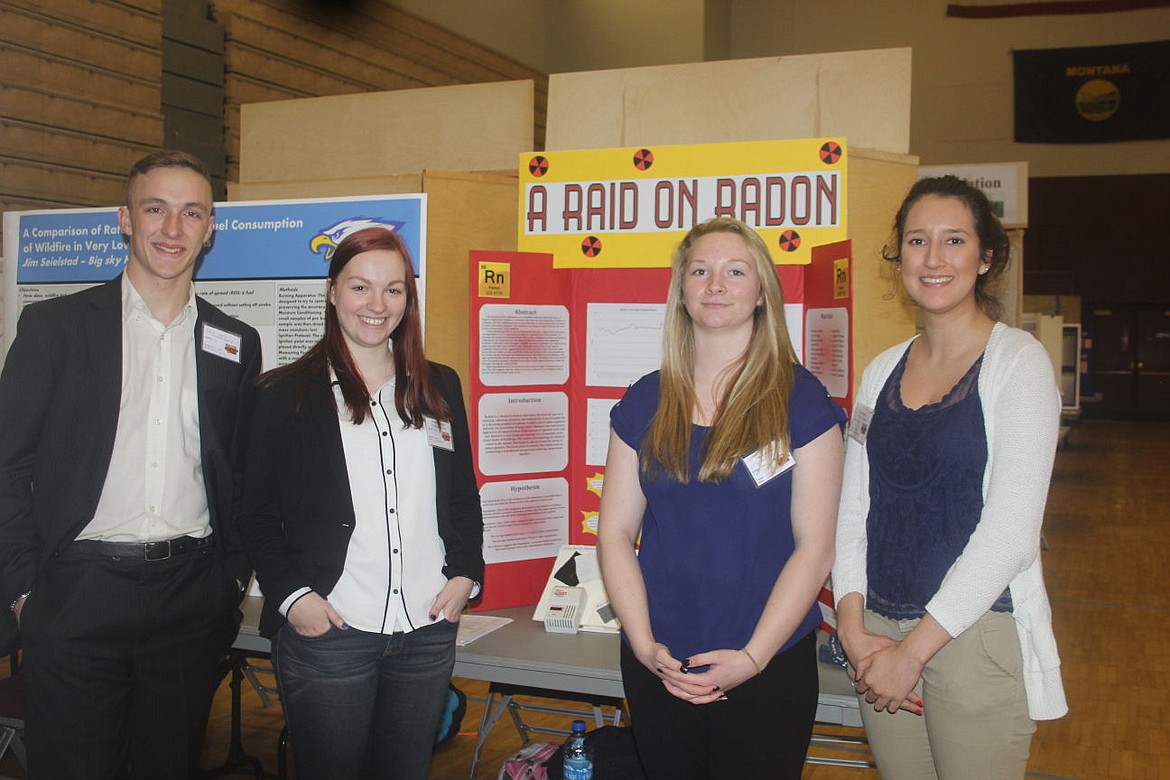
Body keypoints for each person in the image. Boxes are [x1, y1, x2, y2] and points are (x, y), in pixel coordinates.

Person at [0, 150, 262, 778]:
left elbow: (245, 476)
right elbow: (6, 465)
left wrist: (229, 580)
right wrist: (24, 589)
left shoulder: (234, 342)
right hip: (75, 594)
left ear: (209, 230)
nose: (173, 229)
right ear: (125, 219)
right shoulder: (55, 328)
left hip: (190, 597)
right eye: (156, 209)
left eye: (191, 213)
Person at [832, 175, 1068, 779]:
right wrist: (854, 629)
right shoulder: (880, 371)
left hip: (972, 635)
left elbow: (1012, 531)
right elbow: (854, 509)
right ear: (899, 257)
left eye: (954, 240)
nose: (933, 258)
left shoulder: (1018, 364)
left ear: (986, 257)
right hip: (878, 635)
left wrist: (914, 651)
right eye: (917, 241)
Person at [597, 217, 846, 779]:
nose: (716, 284)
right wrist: (642, 645)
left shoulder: (800, 402)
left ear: (762, 293)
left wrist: (754, 657)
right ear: (681, 292)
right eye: (700, 271)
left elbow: (816, 546)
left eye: (736, 271)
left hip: (766, 664)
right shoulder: (645, 401)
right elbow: (613, 534)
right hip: (660, 663)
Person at [237, 226, 483, 780]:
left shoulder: (438, 385)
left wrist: (467, 572)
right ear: (332, 292)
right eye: (360, 287)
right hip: (332, 631)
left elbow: (462, 494)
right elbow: (253, 513)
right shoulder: (284, 395)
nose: (377, 306)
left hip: (426, 629)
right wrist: (293, 597)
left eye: (394, 289)